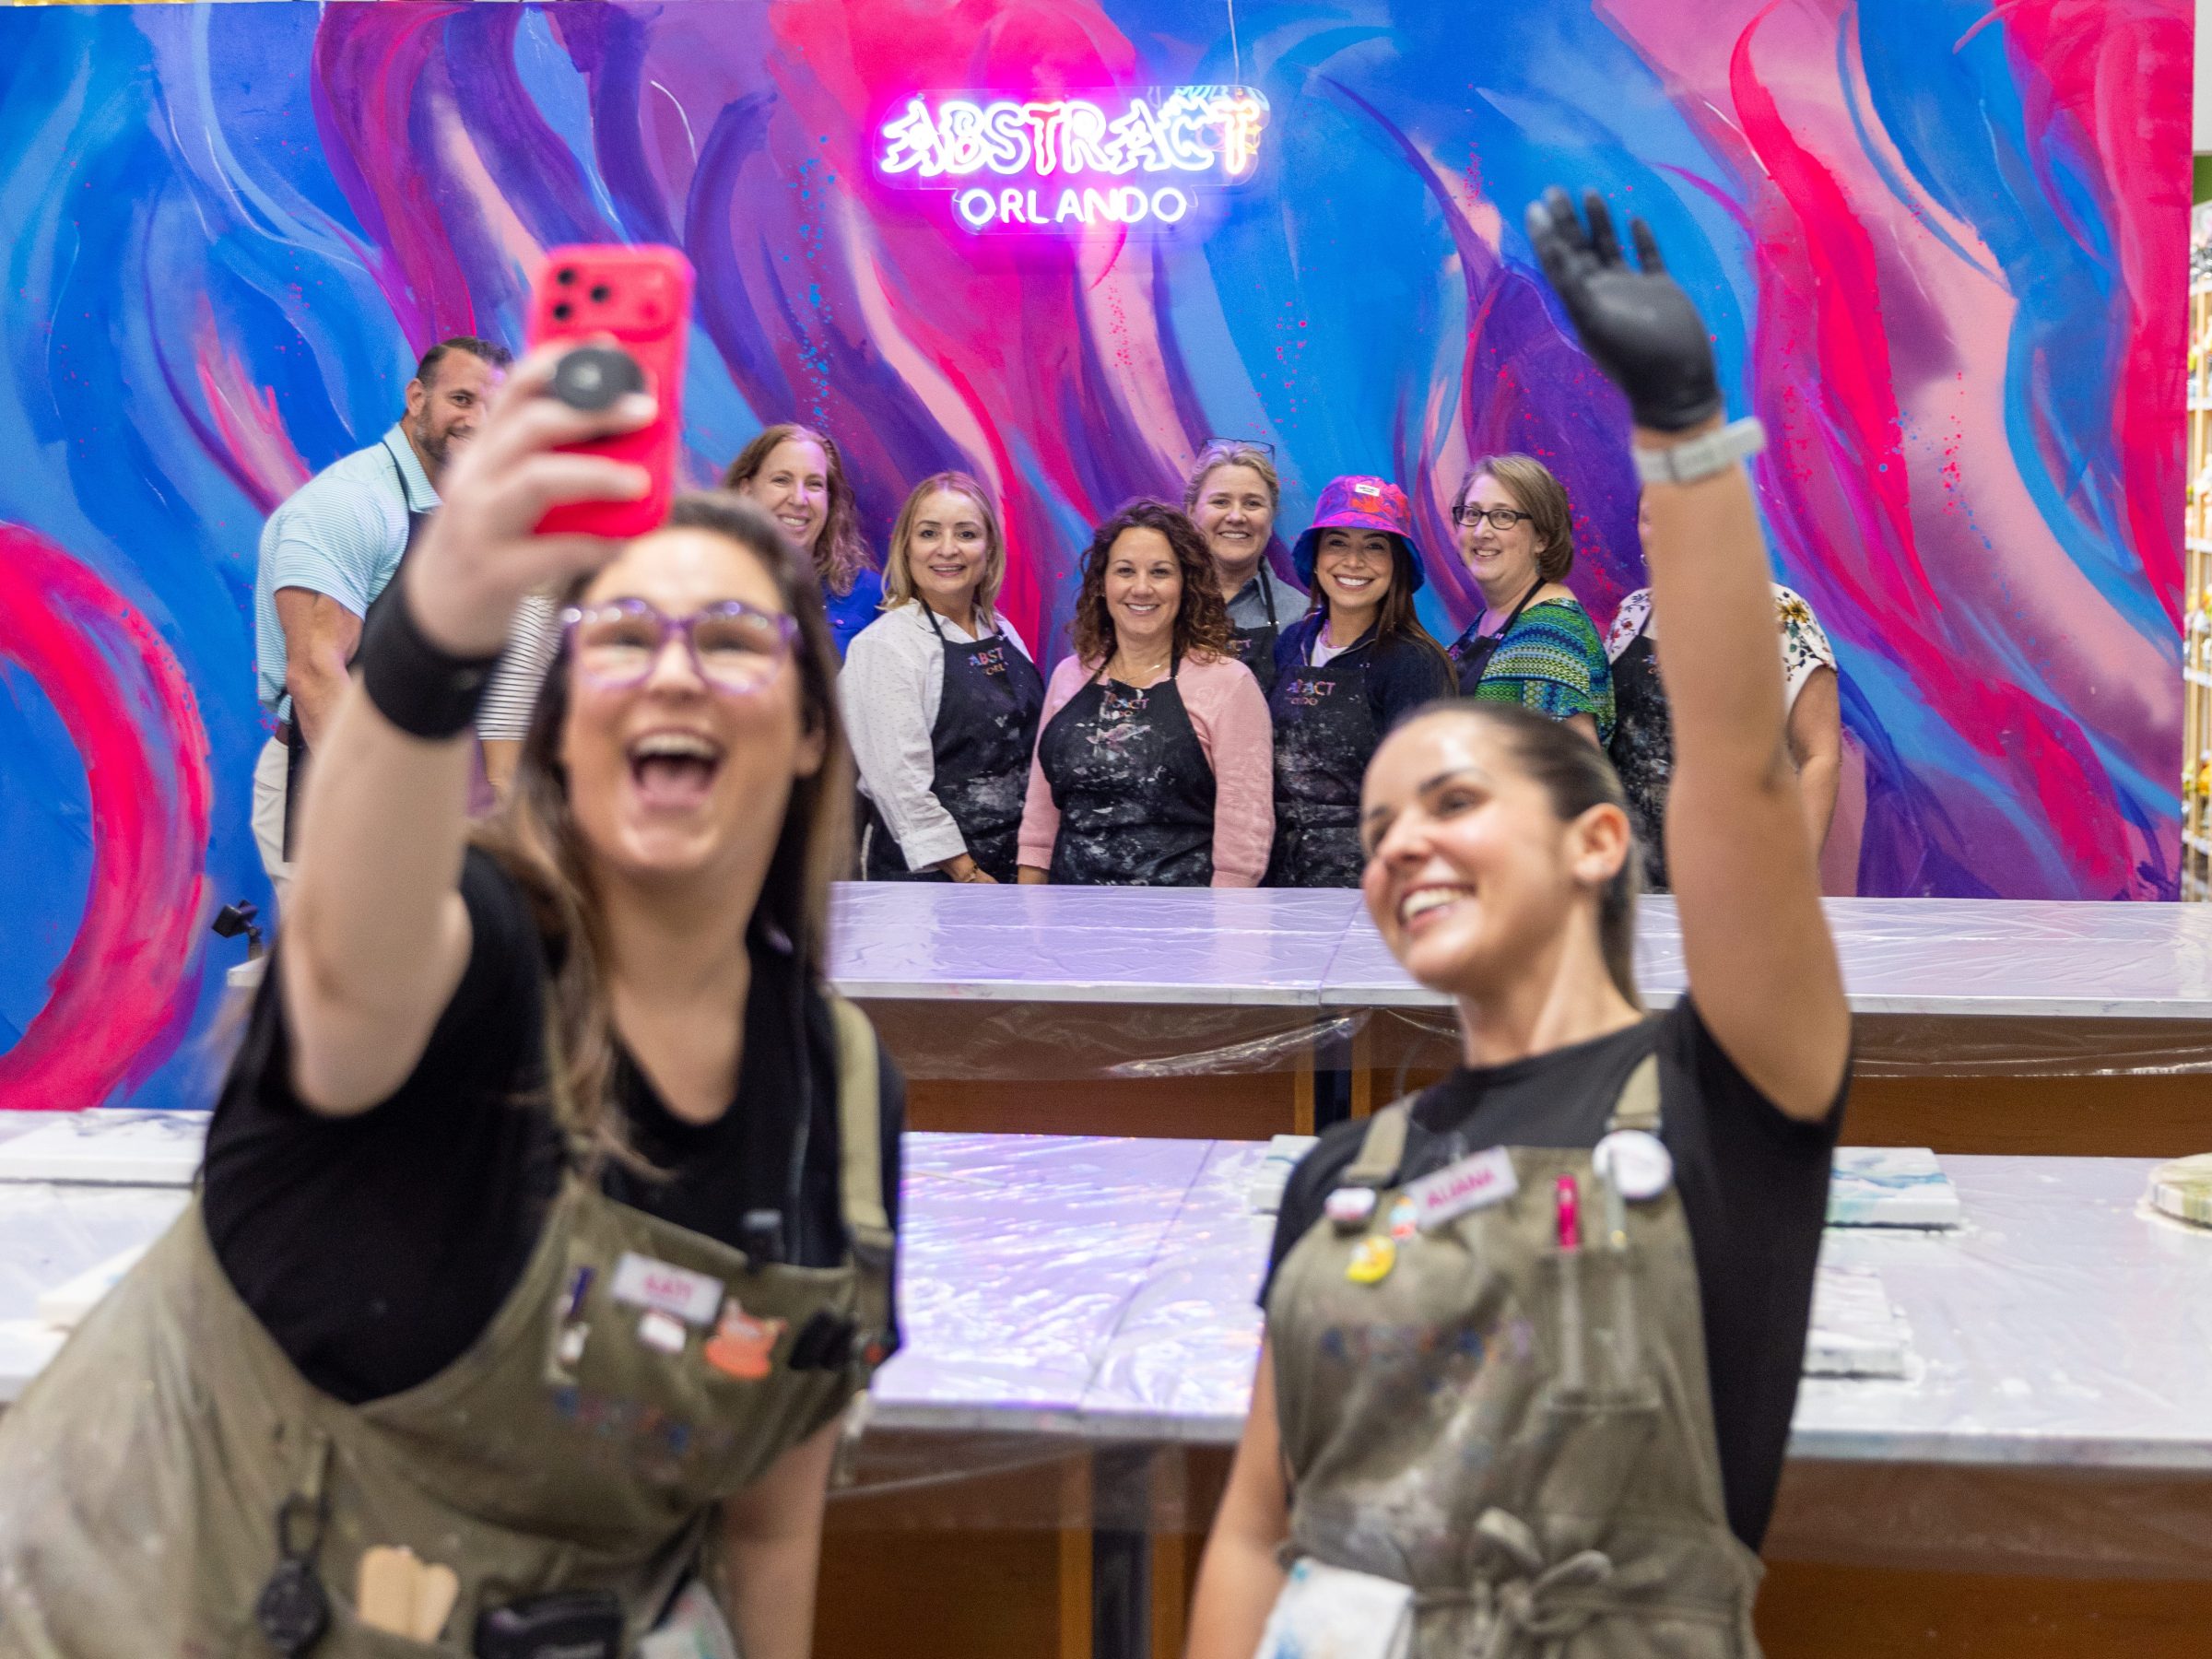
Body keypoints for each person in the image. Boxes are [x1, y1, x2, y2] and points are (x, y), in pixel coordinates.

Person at [0, 347, 903, 1657]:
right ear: (561, 726)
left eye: (729, 639)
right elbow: (349, 959)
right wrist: (442, 624)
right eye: (623, 640)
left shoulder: (841, 1089)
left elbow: (766, 1526)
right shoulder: (462, 955)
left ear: (813, 729)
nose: (672, 672)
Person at [1186, 189, 1851, 1658]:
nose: (1406, 842)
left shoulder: (1728, 1102)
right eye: (1382, 828)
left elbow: (1743, 764)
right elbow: (1254, 1529)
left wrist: (1684, 434)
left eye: (1455, 799)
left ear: (1598, 839)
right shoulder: (1342, 1180)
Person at [252, 336, 520, 891]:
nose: (478, 421)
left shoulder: (455, 508)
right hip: (334, 782)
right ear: (417, 397)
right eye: (462, 399)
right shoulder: (350, 503)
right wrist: (387, 815)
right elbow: (315, 673)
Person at [1018, 499, 1273, 886]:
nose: (1141, 588)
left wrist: (1226, 921)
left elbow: (1243, 845)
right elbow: (1039, 826)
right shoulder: (1069, 675)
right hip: (1069, 914)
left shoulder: (1230, 684)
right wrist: (1029, 911)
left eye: (1160, 572)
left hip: (1185, 918)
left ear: (1186, 585)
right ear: (1102, 584)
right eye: (1125, 571)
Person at [1607, 501, 1842, 888]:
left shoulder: (1781, 614)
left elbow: (1820, 756)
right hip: (1635, 883)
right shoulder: (1630, 614)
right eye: (1653, 516)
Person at [841, 472, 1042, 883]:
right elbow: (900, 787)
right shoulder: (885, 646)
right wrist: (968, 874)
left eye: (966, 534)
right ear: (906, 547)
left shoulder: (1002, 631)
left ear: (989, 548)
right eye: (929, 533)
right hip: (935, 884)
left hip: (1016, 873)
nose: (947, 549)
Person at [1265, 476, 1455, 888]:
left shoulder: (1415, 662)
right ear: (1316, 557)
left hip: (1369, 883)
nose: (1353, 562)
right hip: (1278, 879)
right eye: (1337, 543)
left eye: (1374, 546)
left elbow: (1424, 797)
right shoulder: (1291, 643)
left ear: (1397, 565)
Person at [1445, 453, 1615, 744]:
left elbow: (1571, 764)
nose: (1482, 531)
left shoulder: (1551, 632)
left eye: (1503, 516)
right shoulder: (1493, 617)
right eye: (1472, 513)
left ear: (1542, 539)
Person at [724, 423, 881, 655]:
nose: (799, 499)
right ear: (746, 489)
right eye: (781, 480)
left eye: (814, 484)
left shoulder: (871, 596)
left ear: (829, 499)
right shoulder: (705, 582)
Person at [1185, 439, 1303, 698]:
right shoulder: (1160, 604)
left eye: (1252, 503)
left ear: (1271, 516)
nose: (1236, 517)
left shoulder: (1302, 616)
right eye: (1220, 502)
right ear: (1192, 511)